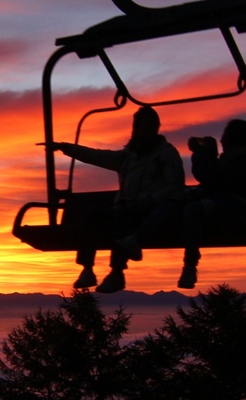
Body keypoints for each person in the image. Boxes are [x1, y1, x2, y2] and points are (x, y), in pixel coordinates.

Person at [52, 105, 184, 293]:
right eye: (142, 127)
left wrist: (149, 199)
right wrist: (65, 148)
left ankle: (116, 273)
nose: (146, 131)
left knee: (124, 218)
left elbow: (175, 187)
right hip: (126, 210)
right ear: (136, 128)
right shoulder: (127, 157)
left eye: (150, 127)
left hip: (151, 214)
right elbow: (96, 156)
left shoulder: (166, 155)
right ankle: (87, 269)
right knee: (93, 215)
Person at [177, 118, 246, 289]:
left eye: (224, 137)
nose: (221, 141)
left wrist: (201, 153)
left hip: (234, 207)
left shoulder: (242, 159)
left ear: (233, 139)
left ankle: (190, 265)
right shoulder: (241, 158)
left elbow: (208, 177)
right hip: (229, 204)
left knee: (192, 210)